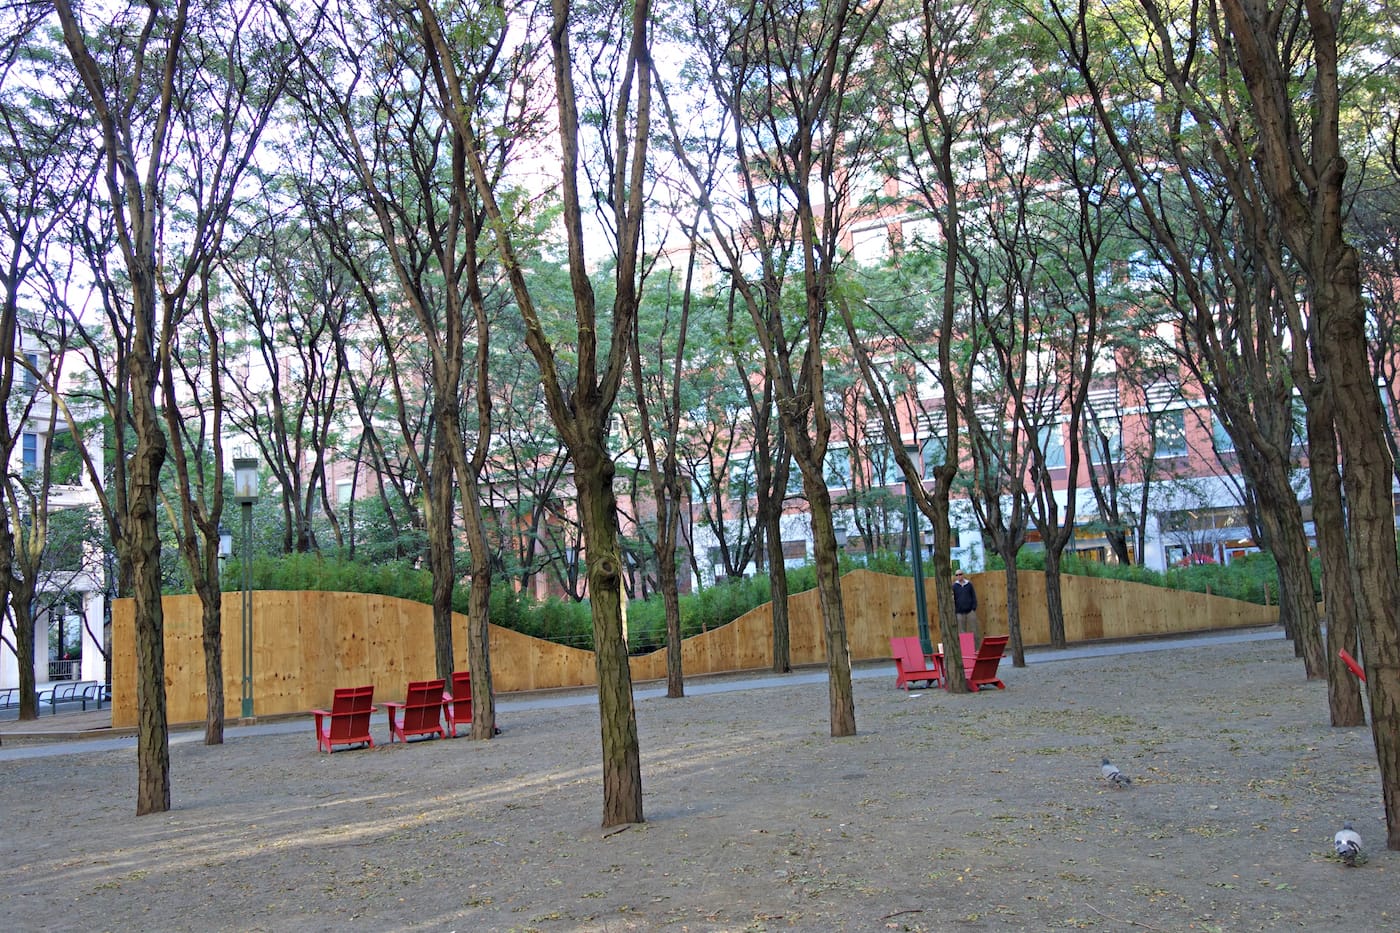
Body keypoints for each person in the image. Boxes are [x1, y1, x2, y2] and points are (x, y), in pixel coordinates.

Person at [952, 570, 980, 643]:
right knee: (962, 632)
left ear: (963, 575)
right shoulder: (954, 586)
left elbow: (973, 596)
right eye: (957, 575)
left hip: (970, 611)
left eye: (960, 574)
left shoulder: (969, 584)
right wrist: (955, 610)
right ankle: (965, 648)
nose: (959, 576)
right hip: (959, 612)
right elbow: (953, 599)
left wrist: (973, 608)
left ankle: (977, 648)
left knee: (974, 630)